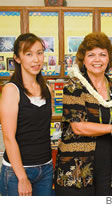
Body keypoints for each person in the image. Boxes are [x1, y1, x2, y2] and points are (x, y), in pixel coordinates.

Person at [54, 32, 112, 196]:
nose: (97, 59)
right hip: (77, 167)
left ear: (109, 58)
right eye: (91, 55)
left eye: (102, 54)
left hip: (110, 164)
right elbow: (78, 127)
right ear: (83, 59)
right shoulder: (74, 86)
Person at [0, 33, 53, 196]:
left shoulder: (48, 89)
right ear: (17, 58)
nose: (36, 59)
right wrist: (22, 178)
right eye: (29, 54)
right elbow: (9, 137)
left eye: (39, 53)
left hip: (45, 168)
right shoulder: (11, 90)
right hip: (18, 171)